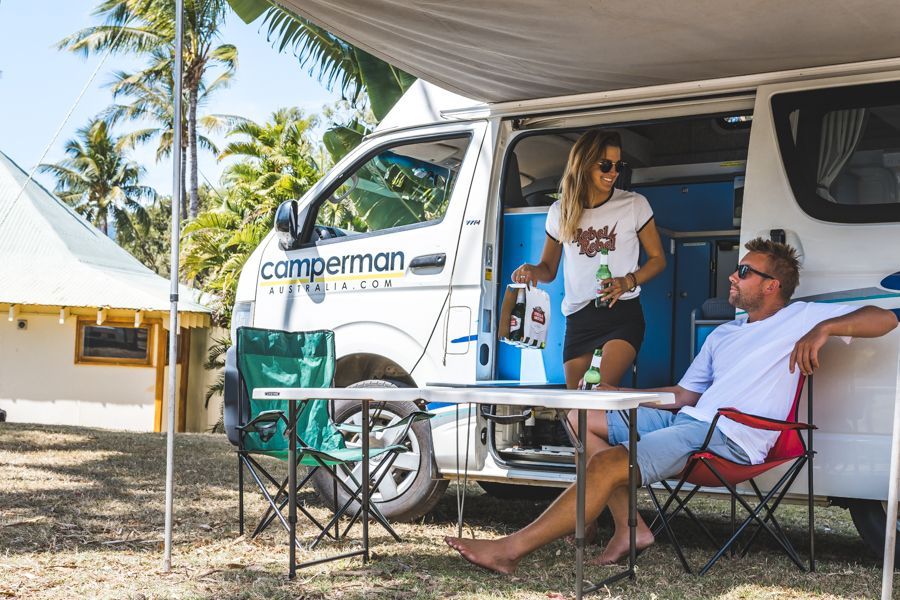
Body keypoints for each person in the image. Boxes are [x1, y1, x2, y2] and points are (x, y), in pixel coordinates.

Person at [447, 238, 898, 574]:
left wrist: (823, 330)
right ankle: (631, 527)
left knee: (608, 467)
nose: (732, 277)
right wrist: (621, 397)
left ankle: (510, 550)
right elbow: (684, 395)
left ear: (772, 284)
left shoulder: (801, 317)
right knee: (582, 416)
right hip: (694, 420)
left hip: (732, 436)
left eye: (743, 271)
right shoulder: (725, 334)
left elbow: (887, 317)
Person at [510, 129, 666, 562]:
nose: (614, 173)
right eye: (606, 165)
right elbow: (548, 267)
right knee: (578, 421)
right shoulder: (561, 212)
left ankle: (613, 520)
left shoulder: (634, 206)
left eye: (619, 166)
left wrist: (628, 280)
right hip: (578, 321)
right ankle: (599, 510)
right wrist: (530, 272)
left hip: (621, 316)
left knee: (591, 402)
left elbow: (658, 260)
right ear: (583, 165)